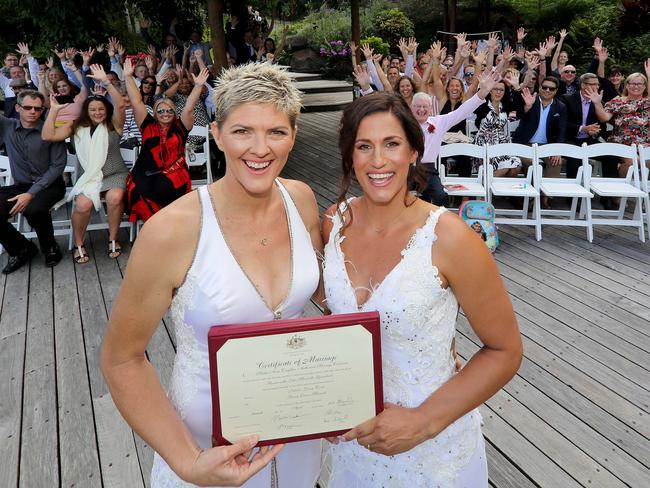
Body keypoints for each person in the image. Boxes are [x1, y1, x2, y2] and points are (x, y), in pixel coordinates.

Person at [101, 62, 323, 487]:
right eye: (242, 131)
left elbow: (334, 296)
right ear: (217, 133)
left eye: (276, 131)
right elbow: (122, 359)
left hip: (295, 432)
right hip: (205, 447)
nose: (260, 148)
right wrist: (187, 461)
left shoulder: (302, 200)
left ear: (293, 136)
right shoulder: (172, 229)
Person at [322, 90, 522, 487]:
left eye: (391, 144)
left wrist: (422, 423)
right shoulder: (334, 223)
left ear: (415, 151)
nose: (378, 161)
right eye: (364, 146)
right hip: (355, 441)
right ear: (350, 156)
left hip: (432, 446)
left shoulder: (450, 237)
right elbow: (333, 305)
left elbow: (505, 351)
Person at [42, 64, 128, 263]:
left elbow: (121, 105)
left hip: (116, 173)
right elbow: (48, 135)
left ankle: (113, 238)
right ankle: (79, 243)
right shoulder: (75, 127)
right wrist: (54, 110)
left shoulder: (114, 124)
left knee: (115, 197)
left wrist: (106, 81)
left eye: (100, 109)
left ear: (106, 110)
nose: (97, 112)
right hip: (90, 177)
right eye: (92, 110)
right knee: (83, 204)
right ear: (86, 112)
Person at [122, 58, 202, 223]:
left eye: (169, 111)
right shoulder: (147, 125)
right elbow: (137, 102)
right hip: (146, 171)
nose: (165, 113)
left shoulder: (181, 126)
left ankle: (166, 228)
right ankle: (153, 228)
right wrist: (128, 77)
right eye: (161, 111)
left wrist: (199, 85)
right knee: (138, 192)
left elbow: (188, 107)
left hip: (175, 171)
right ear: (155, 113)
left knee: (165, 187)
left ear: (174, 112)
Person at [0, 90, 66, 273]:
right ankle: (22, 249)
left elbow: (57, 167)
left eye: (37, 108)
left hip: (50, 185)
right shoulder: (7, 126)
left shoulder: (51, 131)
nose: (33, 112)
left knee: (33, 208)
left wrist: (31, 193)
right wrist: (26, 192)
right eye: (27, 107)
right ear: (18, 108)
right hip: (21, 185)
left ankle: (50, 248)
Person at [586, 66, 650, 177]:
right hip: (621, 142)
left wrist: (648, 76)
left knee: (648, 161)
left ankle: (644, 191)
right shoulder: (617, 101)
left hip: (645, 143)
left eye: (639, 84)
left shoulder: (647, 102)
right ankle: (622, 192)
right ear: (627, 85)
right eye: (632, 83)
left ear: (645, 86)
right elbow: (604, 118)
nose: (636, 86)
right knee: (631, 163)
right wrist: (597, 103)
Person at [474, 80, 523, 177]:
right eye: (495, 89)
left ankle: (503, 190)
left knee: (516, 166)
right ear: (490, 90)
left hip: (501, 143)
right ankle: (486, 186)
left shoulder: (505, 106)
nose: (498, 92)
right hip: (485, 144)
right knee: (504, 167)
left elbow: (520, 105)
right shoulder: (482, 105)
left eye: (501, 90)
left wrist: (517, 87)